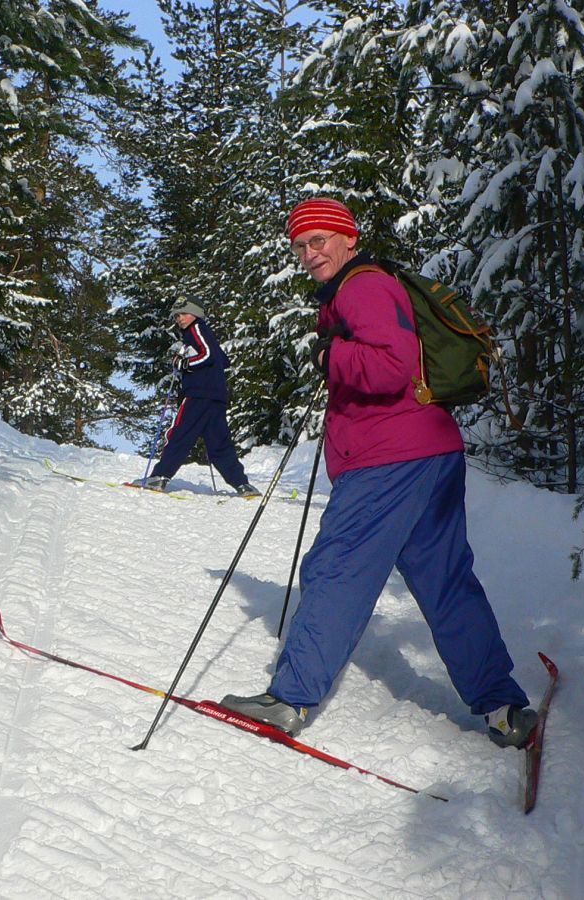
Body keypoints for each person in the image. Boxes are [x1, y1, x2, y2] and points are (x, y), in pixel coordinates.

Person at [220, 197, 537, 748]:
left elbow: (391, 366)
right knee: (445, 583)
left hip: (390, 458)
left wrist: (329, 358)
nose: (309, 253)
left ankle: (291, 697)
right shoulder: (366, 285)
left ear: (348, 238)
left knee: (338, 568)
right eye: (299, 245)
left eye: (319, 240)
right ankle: (502, 706)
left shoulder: (360, 286)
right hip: (430, 450)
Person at [132, 299, 260, 497]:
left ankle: (160, 476)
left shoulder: (196, 328)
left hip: (198, 395)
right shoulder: (202, 333)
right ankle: (242, 485)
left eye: (183, 313)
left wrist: (184, 363)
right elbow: (221, 359)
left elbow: (207, 355)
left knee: (180, 433)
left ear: (195, 313)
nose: (180, 318)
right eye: (176, 315)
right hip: (215, 397)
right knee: (219, 443)